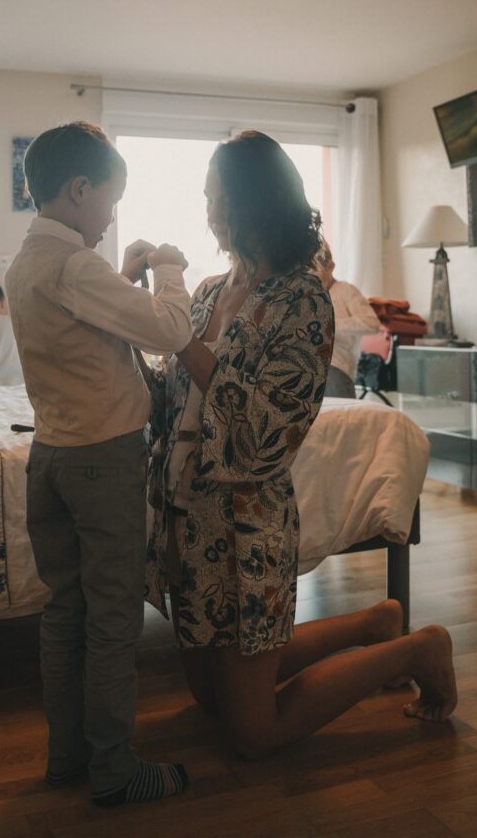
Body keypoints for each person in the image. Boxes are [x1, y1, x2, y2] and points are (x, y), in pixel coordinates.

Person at [146, 130, 457, 762]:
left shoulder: (304, 300)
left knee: (254, 731)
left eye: (217, 198)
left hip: (247, 524)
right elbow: (174, 400)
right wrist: (130, 330)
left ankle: (415, 648)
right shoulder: (205, 293)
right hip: (189, 519)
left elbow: (263, 433)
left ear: (253, 201)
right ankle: (373, 623)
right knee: (213, 701)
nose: (208, 211)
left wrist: (183, 343)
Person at [5, 122, 192, 808]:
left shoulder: (26, 263)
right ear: (79, 190)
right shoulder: (75, 265)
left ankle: (67, 756)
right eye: (109, 200)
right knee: (113, 622)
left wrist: (124, 277)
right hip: (100, 463)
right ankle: (114, 770)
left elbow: (83, 321)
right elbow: (171, 330)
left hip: (50, 458)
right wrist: (168, 267)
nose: (111, 215)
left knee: (65, 614)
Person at [314, 241, 381, 398]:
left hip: (335, 366)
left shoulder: (345, 291)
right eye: (309, 271)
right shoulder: (307, 297)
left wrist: (331, 326)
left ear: (331, 266)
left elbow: (372, 323)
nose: (313, 276)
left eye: (317, 270)